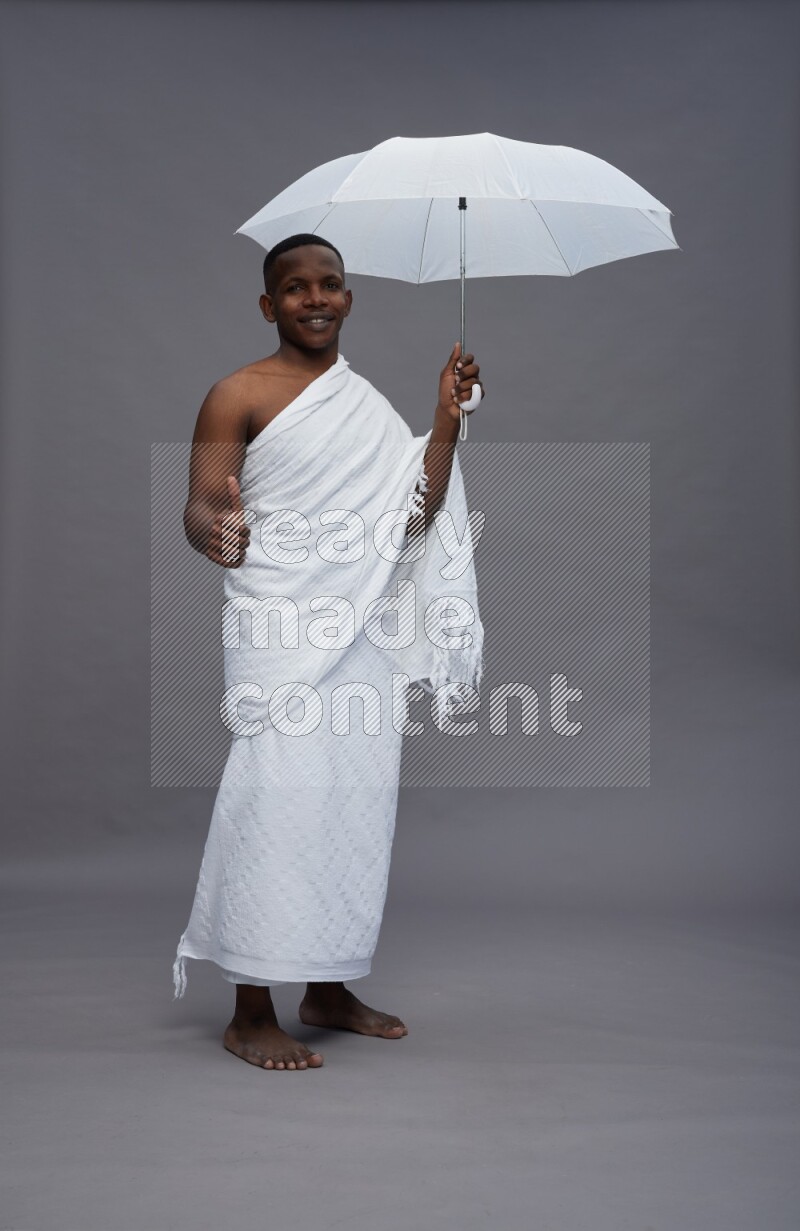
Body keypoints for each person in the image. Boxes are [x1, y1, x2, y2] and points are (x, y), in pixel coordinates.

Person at [174, 234, 484, 1070]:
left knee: (352, 805)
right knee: (277, 802)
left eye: (332, 284)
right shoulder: (233, 395)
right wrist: (222, 532)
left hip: (361, 636)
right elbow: (200, 508)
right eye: (296, 287)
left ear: (349, 298)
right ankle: (249, 1008)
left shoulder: (368, 405)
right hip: (280, 627)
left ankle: (327, 985)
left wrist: (445, 423)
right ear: (269, 305)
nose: (316, 298)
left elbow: (415, 515)